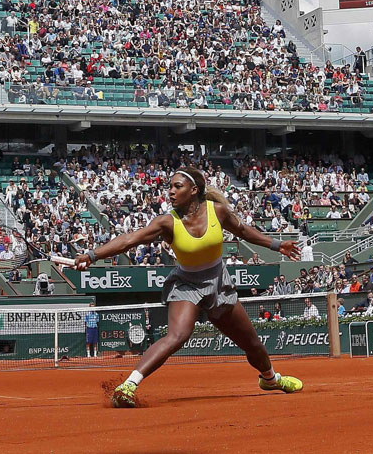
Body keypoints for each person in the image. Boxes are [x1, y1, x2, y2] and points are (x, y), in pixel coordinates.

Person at [73, 166, 303, 408]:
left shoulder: (218, 212)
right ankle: (128, 385)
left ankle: (270, 379)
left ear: (194, 190)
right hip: (186, 284)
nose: (170, 191)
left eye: (177, 186)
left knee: (252, 344)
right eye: (170, 187)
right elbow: (130, 239)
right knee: (177, 335)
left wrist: (277, 245)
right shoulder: (166, 223)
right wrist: (92, 254)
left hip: (218, 283)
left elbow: (244, 231)